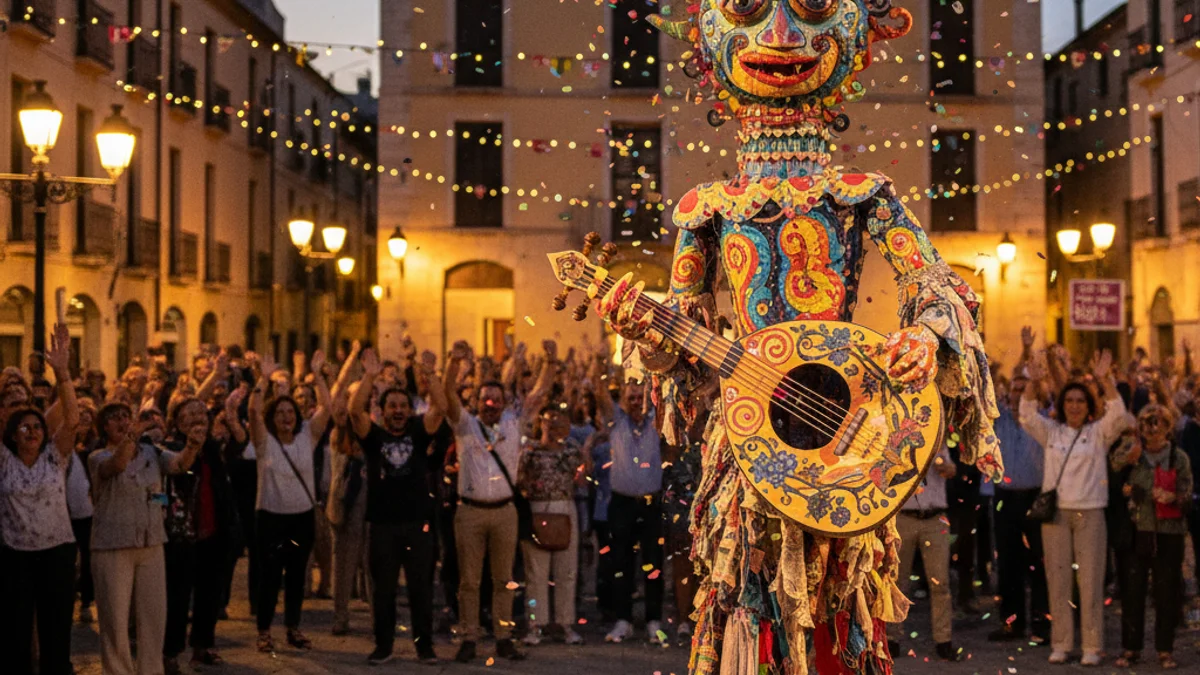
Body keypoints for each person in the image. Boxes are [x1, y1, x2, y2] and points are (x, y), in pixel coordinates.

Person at [1021, 350, 1129, 666]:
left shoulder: (1098, 434)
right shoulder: (1052, 432)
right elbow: (1026, 414)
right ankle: (1062, 642)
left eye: (1081, 401)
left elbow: (1118, 415)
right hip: (1056, 515)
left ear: (1088, 405)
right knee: (1058, 581)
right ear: (1062, 404)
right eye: (1070, 401)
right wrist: (1034, 380)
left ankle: (1092, 646)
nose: (1075, 406)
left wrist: (1103, 379)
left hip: (1091, 513)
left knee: (1091, 582)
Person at [349, 348, 448, 665]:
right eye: (391, 405)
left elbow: (441, 408)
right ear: (382, 410)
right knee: (384, 591)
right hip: (383, 525)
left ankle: (424, 647)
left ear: (410, 410)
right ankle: (384, 646)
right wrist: (369, 374)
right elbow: (354, 411)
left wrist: (429, 374)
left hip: (418, 524)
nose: (398, 410)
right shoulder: (374, 436)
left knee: (421, 589)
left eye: (403, 405)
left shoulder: (419, 431)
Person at [89, 399, 203, 675]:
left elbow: (178, 465)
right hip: (113, 545)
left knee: (153, 617)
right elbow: (116, 465)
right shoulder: (98, 457)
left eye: (126, 416)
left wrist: (192, 446)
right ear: (104, 427)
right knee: (115, 618)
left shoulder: (152, 452)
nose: (123, 421)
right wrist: (132, 435)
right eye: (115, 418)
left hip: (151, 542)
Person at [443, 341, 531, 663]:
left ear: (505, 403)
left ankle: (503, 638)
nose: (491, 403)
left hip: (505, 512)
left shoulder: (512, 423)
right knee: (469, 582)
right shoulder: (465, 424)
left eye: (496, 398)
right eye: (485, 398)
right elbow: (447, 396)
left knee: (503, 581)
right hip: (470, 513)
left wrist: (546, 364)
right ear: (477, 402)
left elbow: (537, 398)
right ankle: (469, 638)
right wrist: (453, 361)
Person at [0, 323, 80, 675]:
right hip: (15, 557)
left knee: (56, 636)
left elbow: (72, 418)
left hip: (57, 553)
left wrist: (62, 372)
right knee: (16, 638)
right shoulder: (3, 458)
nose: (31, 431)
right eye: (24, 426)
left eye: (37, 426)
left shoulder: (53, 454)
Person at [248, 352, 331, 652]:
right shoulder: (263, 441)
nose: (286, 416)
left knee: (296, 576)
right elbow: (252, 412)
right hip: (270, 518)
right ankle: (264, 631)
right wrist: (263, 379)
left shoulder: (306, 436)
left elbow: (327, 407)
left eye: (290, 412)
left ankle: (293, 628)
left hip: (301, 518)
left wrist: (318, 376)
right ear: (273, 416)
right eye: (280, 412)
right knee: (270, 577)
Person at [1112, 403, 1192, 670]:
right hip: (1137, 531)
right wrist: (1127, 461)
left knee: (1166, 591)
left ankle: (1165, 649)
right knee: (1132, 591)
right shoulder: (1133, 453)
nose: (1152, 429)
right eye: (1147, 423)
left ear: (1168, 428)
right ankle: (1131, 647)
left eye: (1158, 423)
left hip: (1169, 532)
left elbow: (1186, 495)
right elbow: (1112, 474)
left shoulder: (1178, 458)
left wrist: (1174, 498)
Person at [594, 376, 665, 644]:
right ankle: (623, 620)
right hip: (621, 502)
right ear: (623, 400)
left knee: (653, 564)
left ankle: (653, 621)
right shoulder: (616, 421)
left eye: (640, 398)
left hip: (650, 503)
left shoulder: (658, 421)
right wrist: (599, 364)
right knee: (621, 563)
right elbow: (601, 396)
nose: (636, 403)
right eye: (631, 398)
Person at [518, 403, 588, 646]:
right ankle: (536, 625)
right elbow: (519, 479)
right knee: (535, 573)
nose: (554, 425)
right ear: (541, 423)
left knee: (566, 571)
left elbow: (584, 477)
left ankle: (565, 623)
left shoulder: (572, 451)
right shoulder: (530, 451)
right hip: (537, 509)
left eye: (559, 421)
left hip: (565, 508)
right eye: (550, 420)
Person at [988, 371, 1049, 644]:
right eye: (1014, 389)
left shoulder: (1041, 419)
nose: (1017, 394)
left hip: (1034, 499)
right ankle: (1012, 622)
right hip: (1005, 497)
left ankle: (1041, 624)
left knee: (1038, 564)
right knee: (1008, 563)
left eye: (1024, 390)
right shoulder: (999, 417)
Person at [890, 448, 960, 661]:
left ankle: (943, 639)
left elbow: (951, 470)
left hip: (935, 517)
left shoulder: (937, 441)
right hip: (904, 516)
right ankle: (891, 637)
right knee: (897, 582)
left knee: (940, 583)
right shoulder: (898, 441)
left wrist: (945, 467)